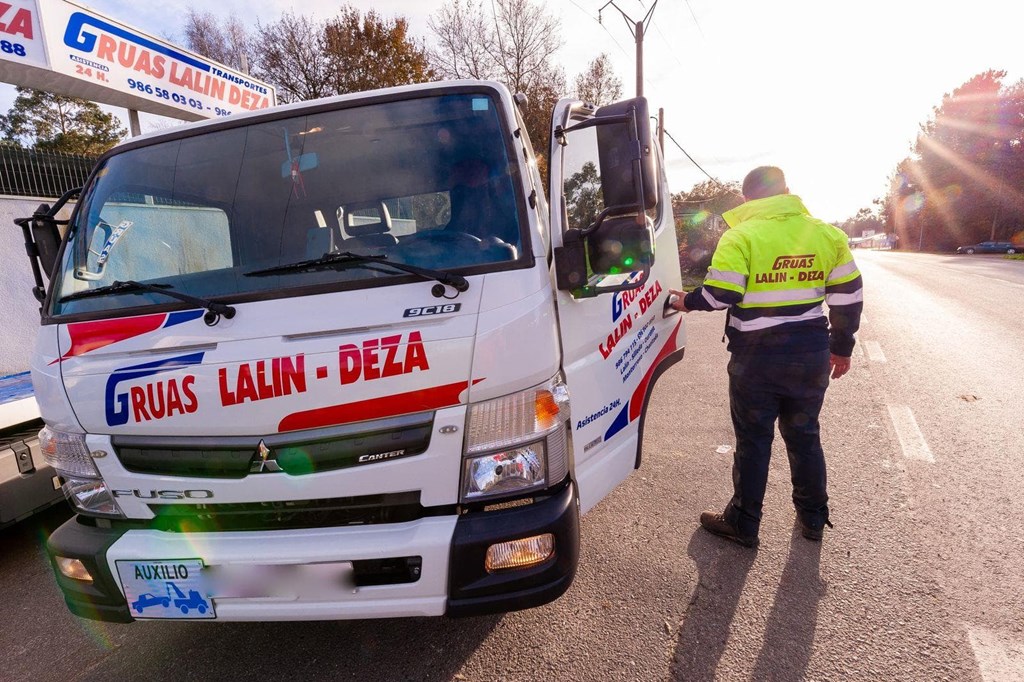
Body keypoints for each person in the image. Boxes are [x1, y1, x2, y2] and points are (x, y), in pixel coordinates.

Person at [668, 166, 863, 547]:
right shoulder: (826, 234)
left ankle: (743, 522)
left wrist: (684, 301)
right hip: (810, 354)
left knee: (754, 441)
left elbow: (719, 293)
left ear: (746, 199)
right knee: (805, 435)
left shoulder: (741, 235)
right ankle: (813, 518)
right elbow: (848, 297)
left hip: (756, 360)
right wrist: (842, 347)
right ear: (787, 191)